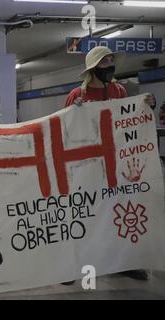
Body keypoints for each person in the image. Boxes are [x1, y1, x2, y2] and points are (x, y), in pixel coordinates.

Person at [62, 46, 155, 285]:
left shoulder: (119, 90)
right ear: (93, 68)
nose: (110, 65)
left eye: (112, 61)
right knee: (85, 213)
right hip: (87, 165)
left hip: (117, 163)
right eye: (105, 62)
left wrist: (145, 105)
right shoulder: (77, 95)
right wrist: (75, 113)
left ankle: (123, 263)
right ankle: (73, 266)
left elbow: (128, 120)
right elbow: (64, 128)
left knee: (120, 212)